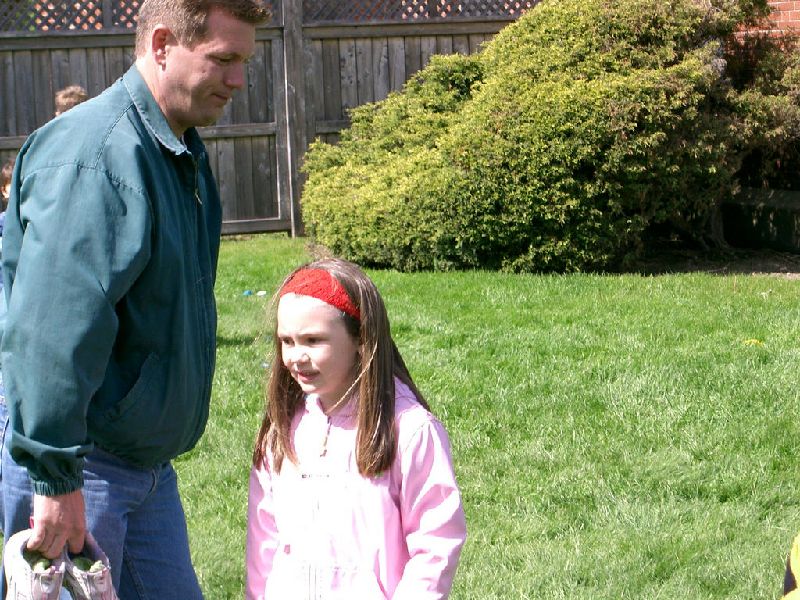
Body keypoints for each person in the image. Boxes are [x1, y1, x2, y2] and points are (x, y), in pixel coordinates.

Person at [0, 0, 269, 598]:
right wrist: (55, 477)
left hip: (142, 468)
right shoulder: (97, 158)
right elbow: (51, 330)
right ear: (163, 44)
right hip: (82, 467)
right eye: (223, 59)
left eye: (244, 63)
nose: (237, 80)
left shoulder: (174, 146)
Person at [246, 258, 467, 599]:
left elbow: (435, 541)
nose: (296, 356)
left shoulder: (408, 429)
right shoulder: (281, 430)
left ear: (361, 339)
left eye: (313, 340)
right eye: (287, 341)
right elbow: (263, 543)